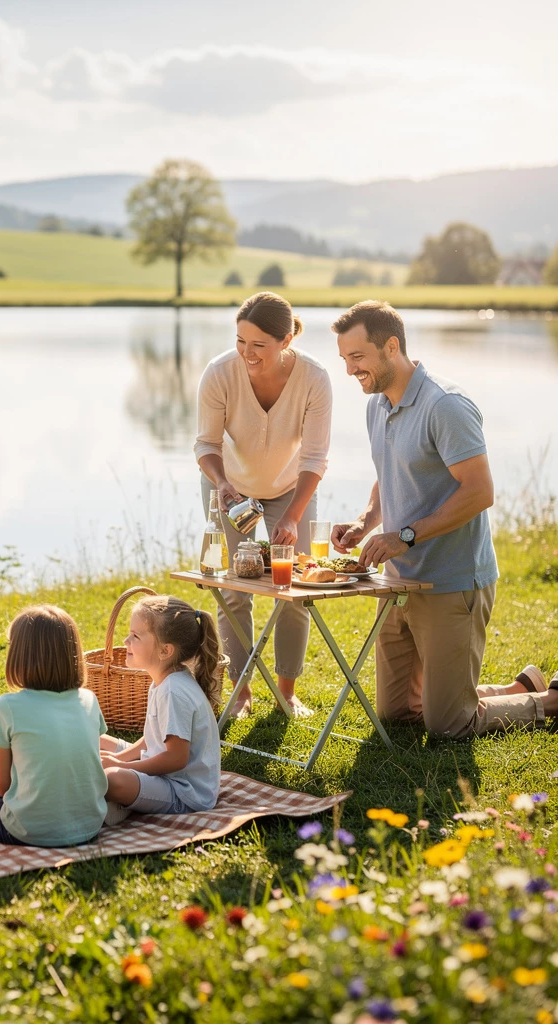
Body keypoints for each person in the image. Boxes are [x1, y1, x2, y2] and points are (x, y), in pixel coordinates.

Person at [331, 300, 558, 736]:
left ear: (391, 346)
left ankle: (550, 701)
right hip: (399, 581)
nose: (349, 370)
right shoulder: (377, 404)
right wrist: (365, 523)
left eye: (357, 357)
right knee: (395, 715)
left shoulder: (445, 405)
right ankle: (518, 686)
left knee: (448, 724)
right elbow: (389, 474)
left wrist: (407, 535)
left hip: (452, 581)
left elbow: (480, 491)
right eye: (344, 359)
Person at [195, 291, 333, 717]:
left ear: (286, 340)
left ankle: (286, 692)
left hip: (293, 488)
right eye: (240, 341)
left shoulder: (314, 378)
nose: (247, 353)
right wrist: (221, 483)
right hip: (230, 487)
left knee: (291, 589)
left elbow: (314, 457)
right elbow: (205, 444)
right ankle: (242, 691)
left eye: (259, 345)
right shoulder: (219, 373)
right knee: (235, 590)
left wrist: (293, 515)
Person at [0, 605, 107, 847]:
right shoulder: (88, 700)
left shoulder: (7, 707)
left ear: (19, 655)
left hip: (25, 830)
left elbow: (0, 787)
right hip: (90, 826)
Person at [100, 596, 221, 825]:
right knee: (95, 739)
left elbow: (176, 758)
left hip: (183, 791)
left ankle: (118, 806)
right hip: (162, 766)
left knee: (112, 779)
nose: (126, 641)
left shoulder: (173, 691)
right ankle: (125, 796)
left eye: (135, 636)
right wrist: (117, 757)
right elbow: (153, 737)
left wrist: (122, 766)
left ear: (165, 651)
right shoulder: (163, 681)